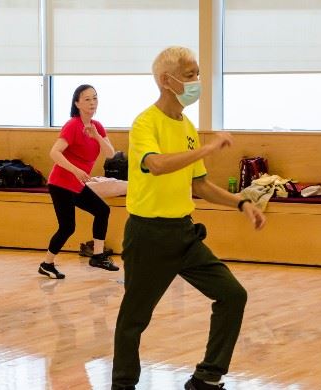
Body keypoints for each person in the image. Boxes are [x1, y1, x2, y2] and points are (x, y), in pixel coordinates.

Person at [111, 46, 266, 390]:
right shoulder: (144, 123)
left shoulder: (188, 126)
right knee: (133, 320)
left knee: (232, 295)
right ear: (167, 81)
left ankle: (207, 378)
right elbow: (157, 165)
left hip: (183, 233)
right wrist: (208, 149)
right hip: (148, 234)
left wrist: (241, 204)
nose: (198, 81)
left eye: (198, 73)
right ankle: (123, 385)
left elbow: (200, 185)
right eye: (191, 74)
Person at [38, 84, 119, 279]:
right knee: (67, 227)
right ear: (77, 103)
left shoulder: (97, 126)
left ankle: (98, 256)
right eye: (87, 99)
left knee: (102, 210)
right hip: (60, 183)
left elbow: (111, 153)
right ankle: (47, 264)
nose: (92, 103)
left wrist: (97, 136)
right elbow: (54, 153)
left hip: (76, 185)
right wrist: (75, 170)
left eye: (95, 98)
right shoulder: (72, 125)